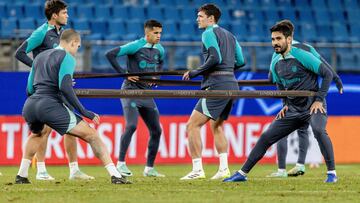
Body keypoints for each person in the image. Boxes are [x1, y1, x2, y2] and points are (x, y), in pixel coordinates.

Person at [224, 19, 338, 183]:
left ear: (289, 39)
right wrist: (285, 104)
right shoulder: (275, 62)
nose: (275, 43)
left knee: (319, 131)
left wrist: (319, 100)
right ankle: (241, 174)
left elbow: (327, 73)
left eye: (278, 39)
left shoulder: (302, 55)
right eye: (273, 39)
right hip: (292, 110)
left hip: (312, 107)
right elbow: (280, 85)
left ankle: (332, 174)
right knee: (266, 137)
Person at [15, 29, 131, 185]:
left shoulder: (40, 57)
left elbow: (29, 88)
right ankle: (115, 175)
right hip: (49, 104)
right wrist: (84, 111)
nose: (77, 50)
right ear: (73, 43)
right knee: (92, 135)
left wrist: (40, 103)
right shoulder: (67, 57)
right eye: (78, 46)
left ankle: (21, 175)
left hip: (30, 105)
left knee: (38, 134)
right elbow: (64, 87)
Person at [15, 0, 93, 181]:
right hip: (43, 88)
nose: (67, 15)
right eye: (65, 13)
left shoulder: (63, 35)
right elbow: (19, 53)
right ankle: (41, 169)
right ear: (54, 15)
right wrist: (38, 69)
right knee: (43, 129)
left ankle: (74, 170)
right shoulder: (41, 32)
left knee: (71, 125)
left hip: (58, 88)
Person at [267, 21, 344, 178]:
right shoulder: (307, 48)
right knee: (306, 130)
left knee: (282, 132)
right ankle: (300, 165)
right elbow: (326, 67)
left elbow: (271, 77)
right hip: (309, 99)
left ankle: (281, 170)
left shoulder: (277, 52)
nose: (276, 41)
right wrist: (337, 80)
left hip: (293, 100)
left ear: (287, 37)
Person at [180, 3, 245, 180]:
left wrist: (195, 71)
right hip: (232, 85)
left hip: (216, 86)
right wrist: (226, 70)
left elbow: (215, 57)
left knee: (192, 125)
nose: (197, 19)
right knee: (216, 126)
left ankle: (197, 170)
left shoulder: (208, 33)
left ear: (211, 19)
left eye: (200, 16)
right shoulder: (230, 35)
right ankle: (223, 169)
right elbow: (241, 61)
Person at [105, 19, 165, 177]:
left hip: (146, 94)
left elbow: (161, 63)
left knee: (157, 130)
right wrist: (125, 73)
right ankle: (121, 164)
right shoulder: (135, 46)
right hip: (130, 91)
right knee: (131, 126)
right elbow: (110, 54)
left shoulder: (160, 49)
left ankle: (149, 169)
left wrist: (156, 77)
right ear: (147, 33)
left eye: (160, 33)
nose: (159, 36)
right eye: (155, 33)